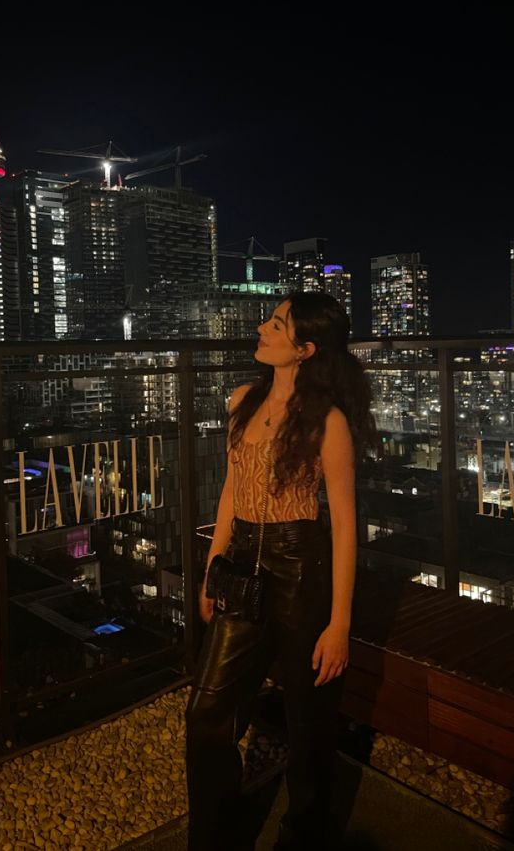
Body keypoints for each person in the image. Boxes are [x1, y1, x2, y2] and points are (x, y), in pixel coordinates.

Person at [185, 291, 376, 850]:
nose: (262, 329)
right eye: (269, 320)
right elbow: (229, 491)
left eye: (277, 324)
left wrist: (339, 624)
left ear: (305, 349)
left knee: (308, 721)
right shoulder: (241, 400)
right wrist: (211, 567)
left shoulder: (327, 422)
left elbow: (343, 524)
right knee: (206, 711)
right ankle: (213, 838)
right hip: (243, 562)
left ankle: (305, 836)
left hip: (301, 566)